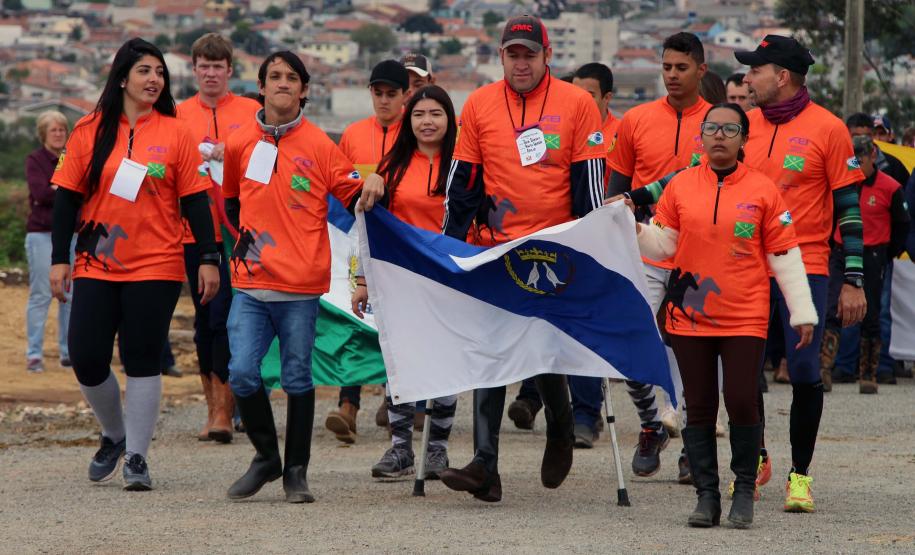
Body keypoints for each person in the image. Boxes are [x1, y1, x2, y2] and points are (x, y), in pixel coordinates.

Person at [438, 14, 607, 502]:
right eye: (512, 54)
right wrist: (449, 251)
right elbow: (463, 186)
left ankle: (559, 426)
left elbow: (590, 189)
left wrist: (590, 249)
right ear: (501, 57)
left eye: (529, 54)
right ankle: (485, 466)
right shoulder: (480, 104)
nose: (521, 62)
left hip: (555, 251)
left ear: (547, 56)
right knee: (490, 351)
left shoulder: (577, 104)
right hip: (496, 249)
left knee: (542, 350)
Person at [634, 102, 817, 529]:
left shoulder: (763, 189)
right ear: (701, 136)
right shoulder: (680, 185)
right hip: (689, 316)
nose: (719, 135)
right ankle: (707, 497)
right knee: (697, 406)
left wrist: (802, 312)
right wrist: (635, 228)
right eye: (711, 128)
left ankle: (744, 490)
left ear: (743, 139)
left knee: (739, 399)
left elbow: (784, 254)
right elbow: (664, 246)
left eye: (729, 129)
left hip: (745, 314)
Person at [49, 38, 220, 491]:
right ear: (123, 77)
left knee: (142, 356)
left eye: (160, 72)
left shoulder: (177, 131)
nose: (154, 79)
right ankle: (115, 434)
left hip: (157, 262)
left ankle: (138, 458)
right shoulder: (88, 129)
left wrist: (207, 258)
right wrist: (58, 260)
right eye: (145, 70)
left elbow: (197, 202)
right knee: (86, 356)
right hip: (95, 260)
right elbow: (66, 198)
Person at [220, 51, 384, 503]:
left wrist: (374, 182)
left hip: (300, 287)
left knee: (296, 378)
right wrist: (252, 246)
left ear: (305, 90)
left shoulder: (320, 145)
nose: (283, 84)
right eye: (274, 77)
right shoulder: (238, 142)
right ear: (262, 85)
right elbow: (231, 203)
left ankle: (295, 472)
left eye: (292, 78)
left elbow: (355, 195)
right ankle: (266, 457)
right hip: (251, 283)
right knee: (242, 373)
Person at [736, 34, 866, 513]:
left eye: (755, 70)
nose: (747, 79)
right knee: (745, 369)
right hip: (746, 266)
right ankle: (754, 462)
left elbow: (850, 210)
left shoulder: (829, 129)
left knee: (806, 369)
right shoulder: (743, 126)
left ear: (782, 76)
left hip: (805, 266)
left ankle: (800, 476)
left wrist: (853, 279)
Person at [607, 31, 710, 482]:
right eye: (666, 67)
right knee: (631, 340)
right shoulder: (636, 120)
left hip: (699, 251)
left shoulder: (720, 122)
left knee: (694, 348)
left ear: (701, 70)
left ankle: (693, 439)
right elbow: (615, 186)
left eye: (681, 67)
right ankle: (652, 423)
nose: (671, 75)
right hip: (643, 247)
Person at [351, 85, 460, 480]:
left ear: (450, 119)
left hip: (449, 281)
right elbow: (368, 229)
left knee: (447, 364)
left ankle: (437, 450)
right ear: (407, 121)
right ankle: (400, 449)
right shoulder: (390, 168)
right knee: (399, 363)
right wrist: (363, 279)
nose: (427, 122)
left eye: (435, 114)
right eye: (418, 114)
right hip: (399, 280)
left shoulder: (462, 167)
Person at [176, 33, 261, 443]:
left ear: (230, 70)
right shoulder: (177, 115)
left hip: (242, 232)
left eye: (218, 66)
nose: (211, 73)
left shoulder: (251, 111)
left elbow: (267, 160)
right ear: (193, 69)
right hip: (193, 233)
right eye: (204, 66)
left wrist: (231, 154)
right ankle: (214, 408)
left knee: (231, 316)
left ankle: (228, 410)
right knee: (205, 318)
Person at [324, 59, 410, 443]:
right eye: (378, 93)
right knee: (353, 319)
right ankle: (349, 406)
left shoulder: (415, 133)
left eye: (393, 94)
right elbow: (339, 187)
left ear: (406, 95)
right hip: (358, 241)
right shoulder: (353, 134)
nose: (385, 100)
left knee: (398, 328)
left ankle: (401, 407)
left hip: (404, 244)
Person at [557, 61, 618, 448]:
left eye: (589, 95)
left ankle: (586, 414)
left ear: (606, 98)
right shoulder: (561, 127)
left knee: (587, 332)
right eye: (575, 93)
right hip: (558, 238)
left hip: (603, 239)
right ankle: (540, 404)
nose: (579, 101)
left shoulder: (621, 132)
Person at [821, 135, 909, 393]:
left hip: (873, 255)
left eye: (860, 158)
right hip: (840, 251)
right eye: (852, 158)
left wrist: (887, 251)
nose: (855, 163)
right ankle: (824, 369)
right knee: (831, 310)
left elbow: (903, 225)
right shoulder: (841, 182)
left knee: (871, 314)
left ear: (873, 156)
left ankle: (868, 374)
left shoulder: (891, 187)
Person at [25, 110, 73, 374]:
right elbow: (40, 193)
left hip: (72, 234)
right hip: (42, 233)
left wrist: (58, 189)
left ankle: (67, 351)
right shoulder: (35, 160)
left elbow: (80, 191)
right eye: (53, 130)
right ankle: (34, 353)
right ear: (44, 133)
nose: (58, 134)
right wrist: (64, 190)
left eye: (62, 129)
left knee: (70, 295)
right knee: (42, 294)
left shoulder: (72, 158)